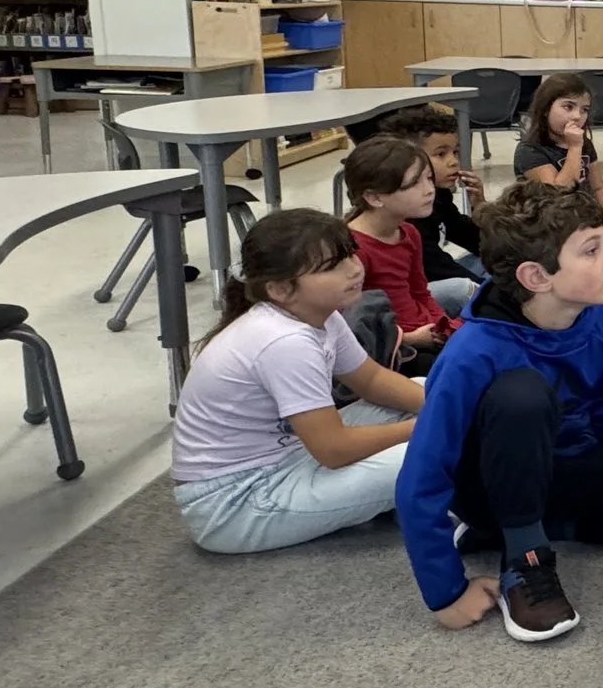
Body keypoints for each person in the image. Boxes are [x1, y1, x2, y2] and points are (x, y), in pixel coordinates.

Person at [394, 183, 603, 644]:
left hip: (567, 468)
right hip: (490, 481)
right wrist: (445, 592)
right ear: (536, 277)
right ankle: (523, 557)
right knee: (522, 394)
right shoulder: (472, 351)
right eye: (591, 250)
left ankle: (531, 526)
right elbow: (422, 476)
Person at [170, 209, 422, 553]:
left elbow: (372, 380)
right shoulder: (285, 342)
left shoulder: (319, 314)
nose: (355, 268)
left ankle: (406, 492)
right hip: (234, 504)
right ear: (281, 289)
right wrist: (429, 426)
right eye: (332, 265)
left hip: (290, 456)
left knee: (424, 388)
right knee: (429, 451)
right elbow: (333, 449)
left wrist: (446, 405)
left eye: (349, 253)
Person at [511, 73, 603, 286]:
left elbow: (598, 187)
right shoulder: (529, 151)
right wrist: (574, 147)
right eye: (568, 107)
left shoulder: (586, 143)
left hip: (592, 224)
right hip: (558, 232)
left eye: (584, 109)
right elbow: (558, 191)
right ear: (546, 109)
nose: (577, 116)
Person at [342, 133, 456, 369]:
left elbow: (419, 291)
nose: (429, 190)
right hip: (393, 349)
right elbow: (347, 326)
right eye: (414, 184)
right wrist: (410, 338)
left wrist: (443, 324)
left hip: (422, 330)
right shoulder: (353, 250)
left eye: (428, 178)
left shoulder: (408, 232)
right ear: (374, 197)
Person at [375, 101, 484, 315]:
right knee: (465, 288)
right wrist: (492, 291)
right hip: (405, 296)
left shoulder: (437, 194)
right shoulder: (407, 211)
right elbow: (434, 265)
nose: (454, 162)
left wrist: (480, 206)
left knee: (498, 259)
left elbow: (470, 236)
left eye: (455, 152)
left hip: (432, 276)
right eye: (441, 154)